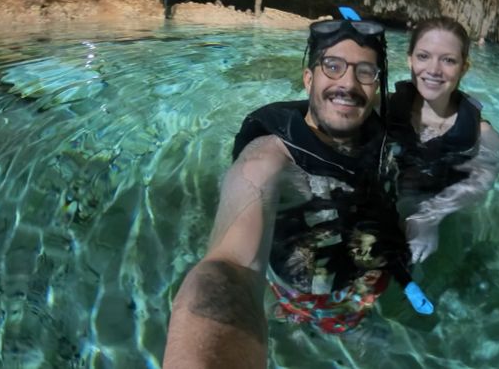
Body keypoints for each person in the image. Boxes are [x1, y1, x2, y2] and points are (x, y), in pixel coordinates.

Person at [164, 19, 417, 369]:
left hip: (365, 291)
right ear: (308, 79)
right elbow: (232, 265)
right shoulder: (268, 159)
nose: (347, 83)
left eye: (365, 72)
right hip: (301, 295)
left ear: (376, 86)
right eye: (333, 66)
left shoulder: (383, 137)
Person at [385, 17, 499, 265]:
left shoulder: (482, 136)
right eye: (423, 56)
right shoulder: (379, 108)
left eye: (448, 60)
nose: (434, 70)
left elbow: (481, 183)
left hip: (437, 216)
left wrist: (429, 217)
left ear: (464, 67)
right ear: (409, 59)